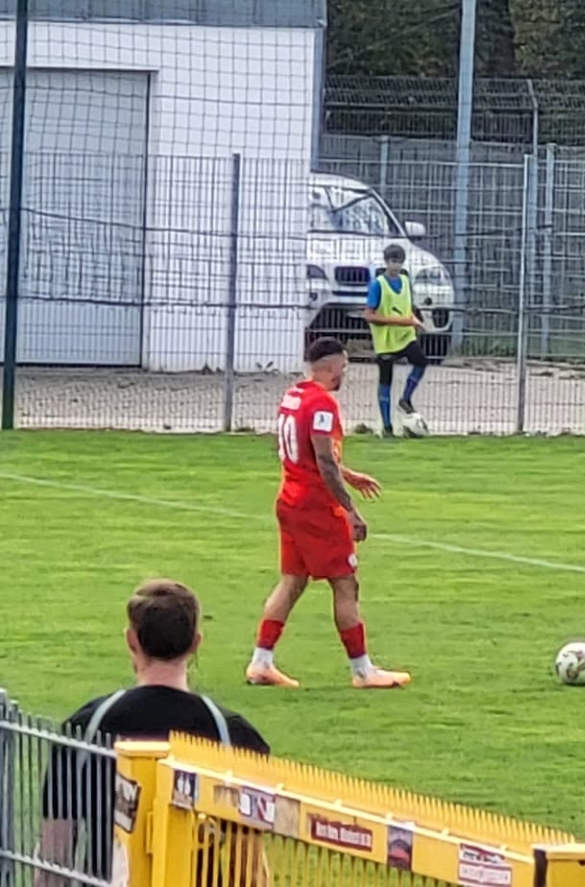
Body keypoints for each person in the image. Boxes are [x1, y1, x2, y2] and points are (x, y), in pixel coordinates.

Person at [37, 580, 271, 887]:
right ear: (196, 643)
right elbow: (250, 871)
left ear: (131, 640)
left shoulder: (86, 728)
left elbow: (54, 860)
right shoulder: (234, 737)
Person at [246, 337, 412, 689]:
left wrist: (347, 474)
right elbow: (322, 459)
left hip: (289, 500)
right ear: (329, 366)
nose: (345, 373)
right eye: (343, 367)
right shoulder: (322, 403)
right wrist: (350, 509)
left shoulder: (294, 396)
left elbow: (307, 454)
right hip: (316, 508)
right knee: (345, 582)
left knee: (293, 581)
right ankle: (363, 670)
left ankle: (261, 662)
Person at [363, 243, 430, 437]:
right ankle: (387, 427)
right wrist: (399, 321)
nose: (396, 265)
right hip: (386, 341)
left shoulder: (405, 281)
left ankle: (405, 399)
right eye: (392, 261)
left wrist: (415, 321)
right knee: (386, 380)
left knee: (421, 361)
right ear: (386, 262)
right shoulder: (378, 284)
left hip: (405, 336)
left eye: (399, 262)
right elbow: (369, 315)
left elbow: (407, 308)